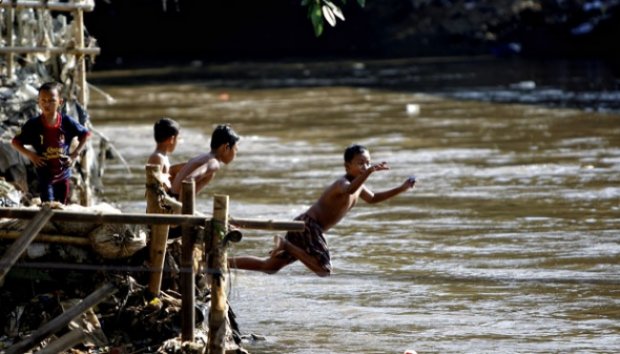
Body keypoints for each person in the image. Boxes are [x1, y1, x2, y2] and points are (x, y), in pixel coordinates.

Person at [228, 144, 416, 277]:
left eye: (368, 163)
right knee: (324, 271)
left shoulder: (359, 185)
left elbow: (374, 198)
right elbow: (348, 190)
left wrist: (401, 188)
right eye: (361, 163)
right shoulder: (342, 183)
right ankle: (286, 245)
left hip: (305, 226)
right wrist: (369, 172)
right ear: (347, 166)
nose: (365, 167)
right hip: (309, 226)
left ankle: (220, 263)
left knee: (269, 266)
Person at [11, 81, 91, 204]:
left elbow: (86, 134)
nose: (47, 104)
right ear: (38, 102)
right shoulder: (34, 125)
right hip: (45, 174)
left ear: (60, 102)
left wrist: (75, 154)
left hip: (63, 173)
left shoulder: (66, 122)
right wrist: (31, 156)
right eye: (43, 100)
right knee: (48, 204)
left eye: (51, 100)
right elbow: (15, 142)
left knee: (61, 205)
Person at [169, 124, 240, 201]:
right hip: (175, 205)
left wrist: (171, 193)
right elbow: (189, 179)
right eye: (235, 149)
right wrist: (182, 207)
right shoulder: (214, 163)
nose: (236, 154)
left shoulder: (203, 157)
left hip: (170, 198)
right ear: (226, 147)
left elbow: (172, 169)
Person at [146, 117, 180, 191]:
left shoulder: (163, 157)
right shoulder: (157, 157)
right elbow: (155, 185)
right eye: (177, 139)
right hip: (158, 201)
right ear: (172, 139)